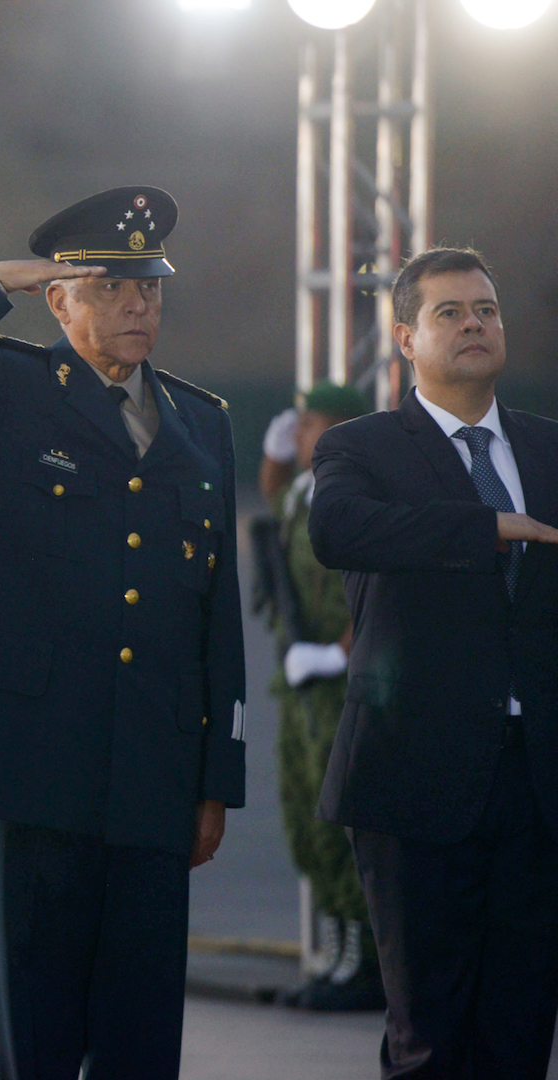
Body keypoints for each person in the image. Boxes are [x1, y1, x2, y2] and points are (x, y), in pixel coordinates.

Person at [0, 187, 245, 1080]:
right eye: (112, 288)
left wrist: (214, 778)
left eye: (149, 289)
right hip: (34, 755)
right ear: (59, 299)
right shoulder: (2, 390)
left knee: (143, 1030)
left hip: (156, 762)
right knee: (38, 1029)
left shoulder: (204, 422)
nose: (137, 306)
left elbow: (217, 612)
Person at [309, 248, 558, 1078]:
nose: (474, 324)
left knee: (521, 1032)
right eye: (450, 313)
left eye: (486, 309)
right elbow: (337, 532)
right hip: (414, 782)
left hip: (537, 785)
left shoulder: (548, 448)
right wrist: (487, 527)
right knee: (428, 1040)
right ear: (406, 336)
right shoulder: (364, 447)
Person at [255, 382, 383, 1011]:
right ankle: (336, 956)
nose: (300, 433)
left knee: (341, 824)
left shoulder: (351, 498)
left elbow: (381, 585)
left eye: (310, 425)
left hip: (343, 683)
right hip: (302, 684)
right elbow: (274, 499)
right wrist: (275, 456)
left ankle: (363, 963)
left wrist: (337, 651)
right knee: (305, 819)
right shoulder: (304, 495)